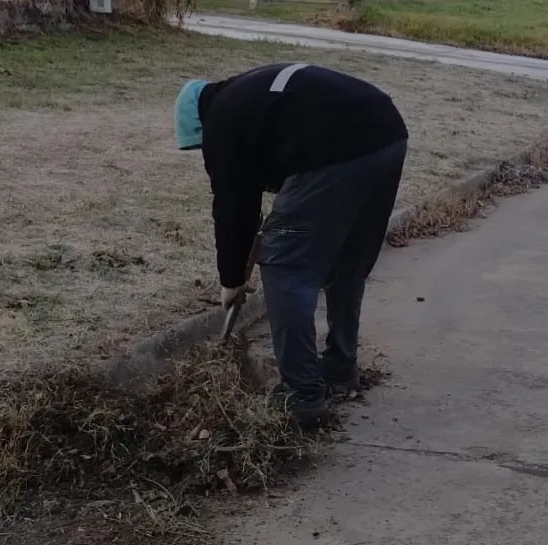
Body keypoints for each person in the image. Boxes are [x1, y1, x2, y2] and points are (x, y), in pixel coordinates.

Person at [174, 63, 409, 426]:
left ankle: (302, 395)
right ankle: (340, 368)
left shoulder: (222, 119)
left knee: (285, 263)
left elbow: (234, 205)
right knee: (346, 260)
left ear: (199, 125)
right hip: (387, 134)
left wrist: (231, 279)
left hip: (336, 151)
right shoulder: (248, 92)